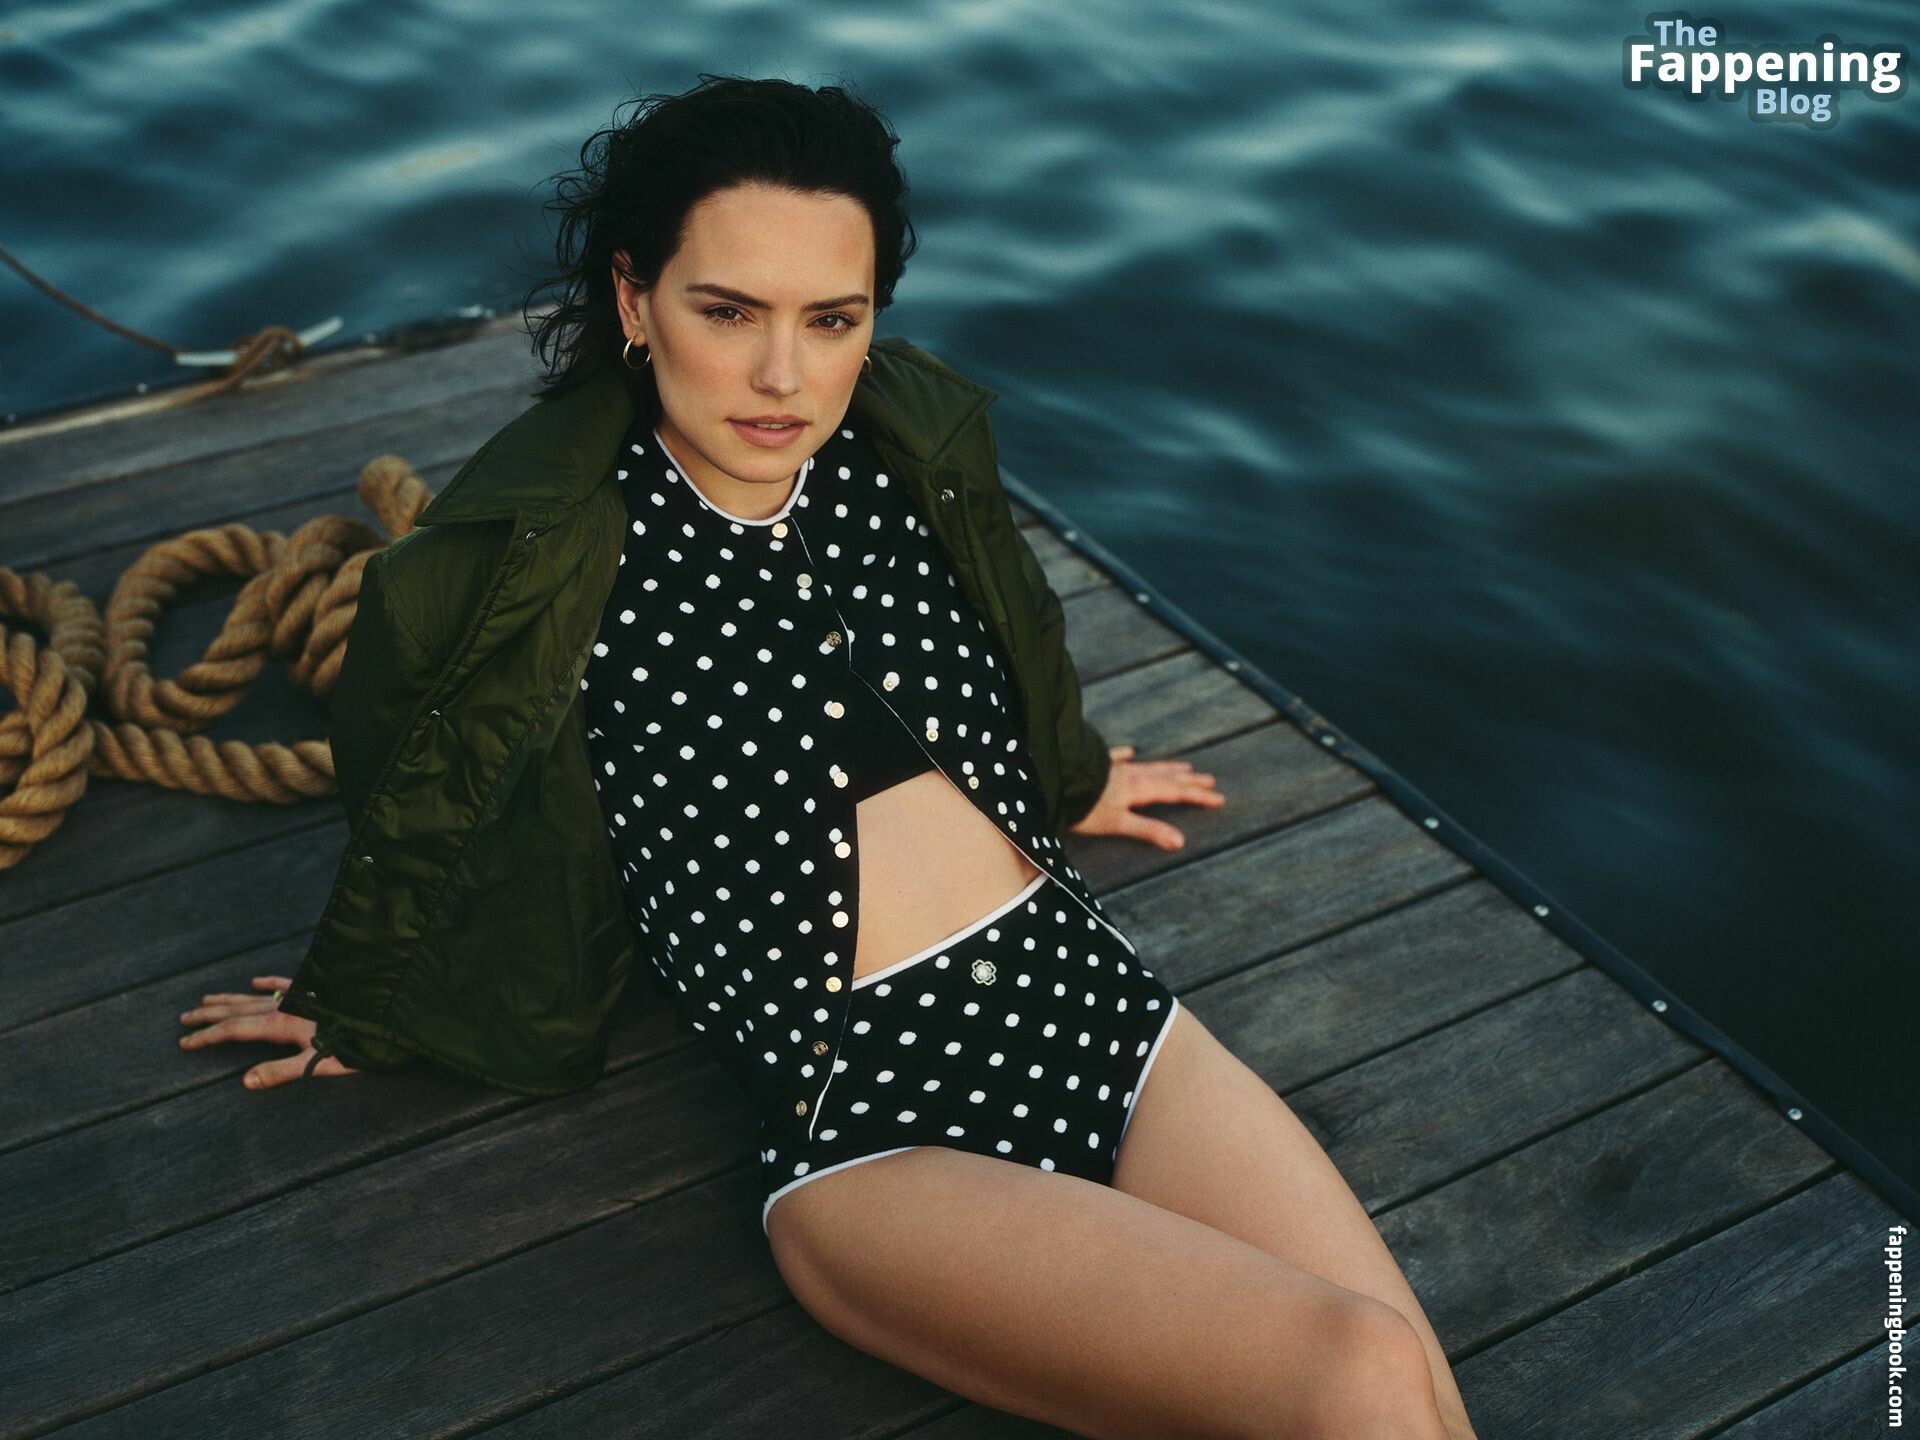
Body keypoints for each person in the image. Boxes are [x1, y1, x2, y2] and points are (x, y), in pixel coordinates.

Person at [178, 74, 1480, 1440]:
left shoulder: (904, 457)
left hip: (1095, 1005)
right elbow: (446, 794)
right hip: (872, 1123)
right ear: (635, 299)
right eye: (729, 311)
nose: (783, 377)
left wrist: (1077, 777)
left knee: (1413, 1379)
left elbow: (1014, 633)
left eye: (831, 319)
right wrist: (376, 999)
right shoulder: (548, 560)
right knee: (1353, 1375)